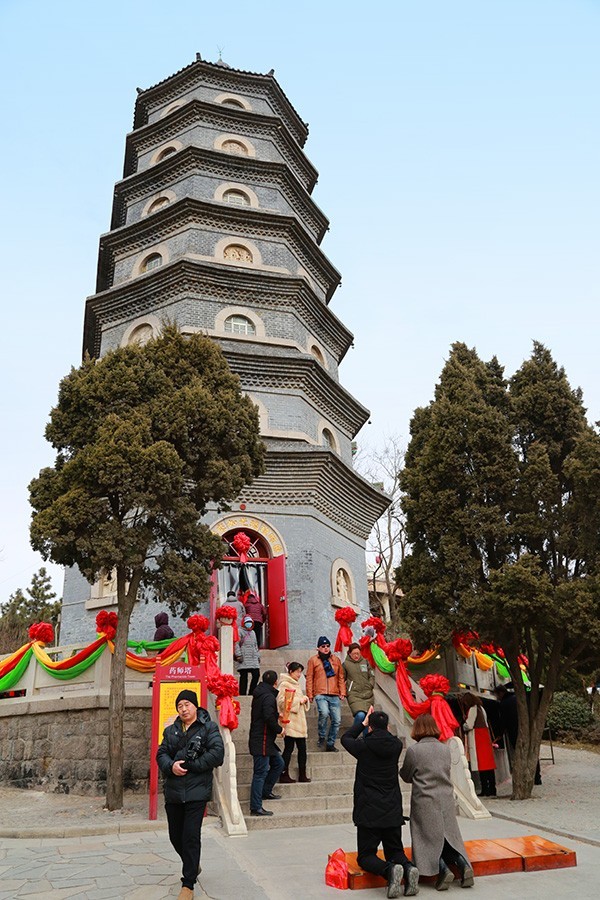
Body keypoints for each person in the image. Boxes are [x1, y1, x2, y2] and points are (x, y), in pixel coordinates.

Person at [341, 706, 419, 899]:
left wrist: (363, 722)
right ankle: (408, 869)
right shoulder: (395, 745)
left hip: (369, 809)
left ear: (370, 727)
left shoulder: (364, 746)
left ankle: (389, 871)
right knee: (395, 850)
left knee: (366, 856)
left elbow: (345, 738)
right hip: (392, 807)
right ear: (387, 726)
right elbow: (386, 736)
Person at [156, 690, 224, 900]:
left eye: (187, 704)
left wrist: (191, 765)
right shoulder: (170, 731)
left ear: (195, 706)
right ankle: (192, 864)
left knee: (191, 836)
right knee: (175, 836)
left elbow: (217, 754)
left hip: (196, 792)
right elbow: (161, 754)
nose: (183, 709)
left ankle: (188, 884)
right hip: (174, 792)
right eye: (180, 706)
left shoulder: (208, 727)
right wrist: (171, 766)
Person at [400, 713, 474, 891]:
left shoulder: (414, 750)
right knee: (449, 836)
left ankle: (442, 869)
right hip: (446, 798)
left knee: (426, 838)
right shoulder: (444, 748)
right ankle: (463, 864)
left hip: (424, 799)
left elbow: (406, 775)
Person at [248, 670, 285, 816]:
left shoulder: (261, 694)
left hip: (265, 740)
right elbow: (268, 717)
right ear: (275, 682)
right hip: (261, 739)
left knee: (279, 763)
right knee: (260, 773)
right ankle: (255, 806)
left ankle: (266, 791)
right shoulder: (268, 696)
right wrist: (279, 729)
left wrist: (277, 715)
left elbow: (267, 714)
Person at [493, 684, 542, 785]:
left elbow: (503, 721)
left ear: (500, 693)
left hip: (514, 731)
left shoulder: (504, 704)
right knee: (531, 752)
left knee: (520, 753)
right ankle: (537, 777)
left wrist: (499, 734)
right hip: (527, 729)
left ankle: (525, 776)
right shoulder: (518, 698)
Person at [306, 635, 346, 751]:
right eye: (323, 646)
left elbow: (340, 677)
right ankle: (322, 735)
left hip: (334, 693)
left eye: (328, 646)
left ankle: (330, 743)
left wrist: (342, 691)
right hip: (320, 693)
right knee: (324, 713)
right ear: (318, 648)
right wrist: (310, 694)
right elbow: (309, 678)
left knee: (337, 720)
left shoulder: (336, 660)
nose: (326, 648)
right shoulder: (313, 660)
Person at [277, 661, 311, 784]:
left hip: (299, 721)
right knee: (289, 748)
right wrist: (299, 701)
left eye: (300, 672)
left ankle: (302, 774)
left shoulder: (295, 684)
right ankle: (283, 773)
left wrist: (304, 700)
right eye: (297, 671)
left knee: (302, 748)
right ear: (291, 671)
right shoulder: (284, 684)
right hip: (290, 721)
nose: (299, 674)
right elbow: (281, 702)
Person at [460, 692, 496, 797]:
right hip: (484, 736)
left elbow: (469, 725)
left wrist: (463, 724)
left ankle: (485, 789)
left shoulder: (472, 709)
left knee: (481, 764)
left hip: (477, 737)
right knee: (488, 765)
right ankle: (492, 788)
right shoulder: (481, 708)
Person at [343, 642, 375, 728]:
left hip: (368, 694)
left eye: (358, 653)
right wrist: (344, 692)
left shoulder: (365, 662)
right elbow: (341, 679)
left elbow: (371, 675)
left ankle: (365, 739)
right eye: (354, 654)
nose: (356, 656)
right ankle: (353, 734)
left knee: (368, 718)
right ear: (349, 653)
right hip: (354, 695)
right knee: (360, 715)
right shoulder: (346, 664)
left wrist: (370, 685)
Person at [234, 614, 260, 695]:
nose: (249, 624)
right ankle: (242, 693)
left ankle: (252, 692)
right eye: (247, 622)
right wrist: (238, 654)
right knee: (244, 677)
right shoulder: (239, 631)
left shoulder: (253, 632)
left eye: (250, 622)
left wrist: (258, 656)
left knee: (256, 675)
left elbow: (255, 645)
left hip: (253, 657)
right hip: (244, 657)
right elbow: (236, 644)